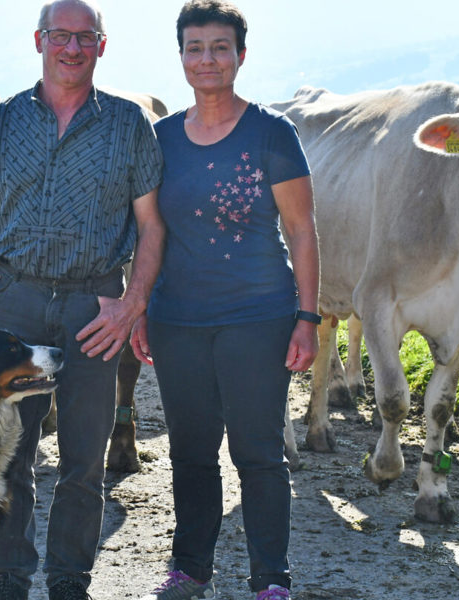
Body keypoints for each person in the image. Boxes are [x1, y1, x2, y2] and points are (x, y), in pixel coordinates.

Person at [0, 0, 165, 598]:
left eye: (85, 37)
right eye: (61, 36)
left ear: (102, 45)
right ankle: (10, 576)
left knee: (83, 460)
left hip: (93, 306)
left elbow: (152, 228)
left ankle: (70, 579)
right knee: (10, 455)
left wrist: (130, 305)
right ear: (38, 40)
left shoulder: (129, 125)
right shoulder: (1, 122)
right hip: (14, 302)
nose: (72, 48)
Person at [131, 2, 318, 599]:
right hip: (176, 319)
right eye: (194, 47)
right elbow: (148, 232)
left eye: (219, 47)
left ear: (241, 54)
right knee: (190, 452)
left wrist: (307, 318)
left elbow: (302, 230)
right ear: (180, 55)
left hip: (257, 318)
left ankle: (271, 579)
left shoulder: (272, 133)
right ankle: (190, 568)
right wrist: (140, 306)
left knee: (258, 451)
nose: (206, 59)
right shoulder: (159, 140)